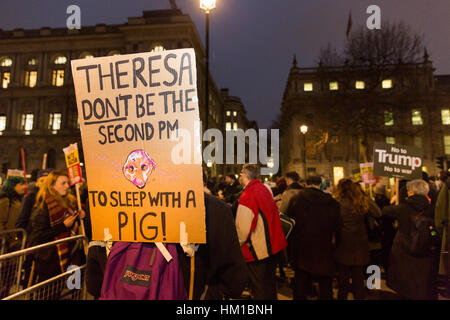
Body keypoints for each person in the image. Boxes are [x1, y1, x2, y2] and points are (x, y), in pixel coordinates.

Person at [235, 164, 287, 300]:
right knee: (269, 286)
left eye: (241, 174)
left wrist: (236, 244)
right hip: (273, 246)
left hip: (259, 250)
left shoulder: (247, 195)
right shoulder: (264, 189)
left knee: (259, 289)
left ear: (245, 175)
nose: (240, 176)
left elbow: (242, 230)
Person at [287, 175, 341, 300]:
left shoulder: (296, 199)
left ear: (306, 183)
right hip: (324, 247)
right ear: (320, 184)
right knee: (325, 283)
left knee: (300, 282)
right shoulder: (332, 202)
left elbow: (289, 223)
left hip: (302, 248)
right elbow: (338, 227)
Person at [382, 179, 437, 299]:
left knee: (406, 287)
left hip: (404, 251)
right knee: (422, 286)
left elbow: (384, 211)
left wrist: (396, 200)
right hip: (425, 252)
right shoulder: (432, 207)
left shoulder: (402, 208)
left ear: (411, 192)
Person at [29, 170, 85, 287]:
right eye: (63, 183)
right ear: (51, 185)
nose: (67, 186)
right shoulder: (43, 204)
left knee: (69, 289)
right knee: (48, 293)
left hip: (70, 254)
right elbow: (37, 236)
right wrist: (62, 226)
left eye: (67, 183)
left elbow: (72, 224)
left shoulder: (68, 201)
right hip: (50, 259)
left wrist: (79, 216)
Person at [333, 179, 373, 300]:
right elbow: (378, 213)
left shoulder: (336, 202)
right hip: (360, 243)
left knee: (343, 280)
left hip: (342, 243)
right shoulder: (361, 201)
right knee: (358, 279)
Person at [0, 175, 27, 298]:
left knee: (10, 272)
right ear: (13, 186)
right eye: (20, 184)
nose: (24, 187)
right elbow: (0, 221)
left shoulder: (20, 199)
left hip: (15, 242)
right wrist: (7, 239)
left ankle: (5, 293)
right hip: (5, 243)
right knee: (4, 271)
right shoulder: (6, 200)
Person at [16, 169, 51, 235]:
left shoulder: (53, 197)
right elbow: (22, 220)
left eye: (47, 181)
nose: (44, 183)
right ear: (37, 183)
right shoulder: (30, 197)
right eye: (42, 181)